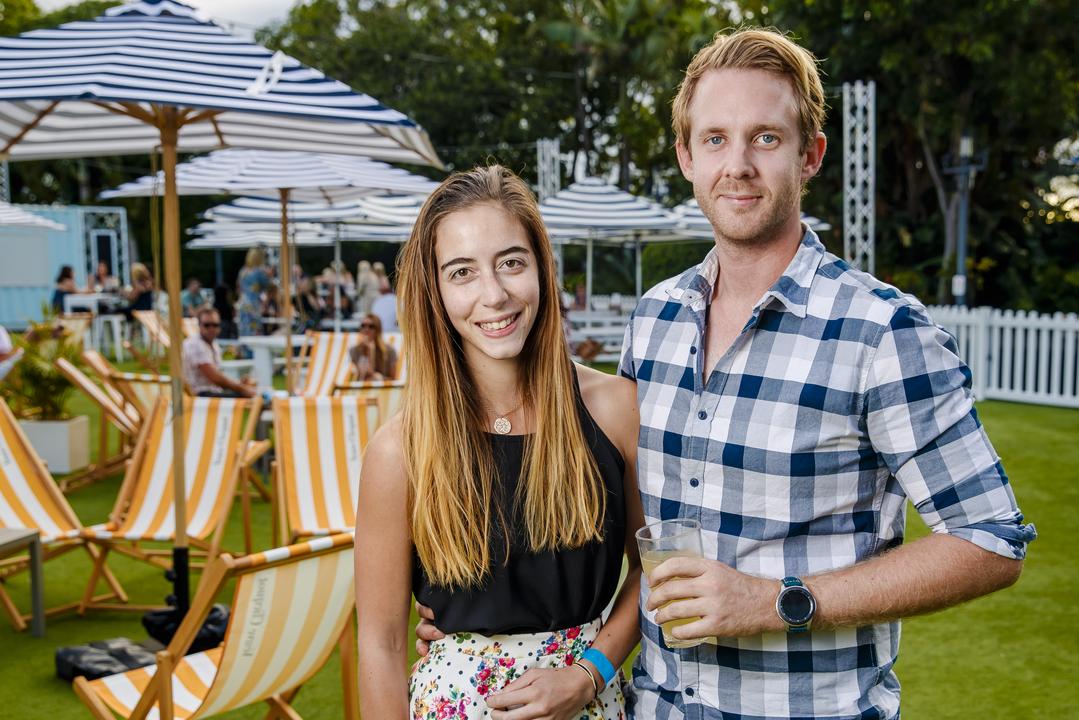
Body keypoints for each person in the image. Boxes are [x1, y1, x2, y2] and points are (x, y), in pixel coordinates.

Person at [416, 28, 1037, 719]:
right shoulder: (654, 323)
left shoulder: (882, 332)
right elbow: (608, 524)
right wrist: (485, 623)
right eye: (714, 139)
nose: (737, 164)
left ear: (811, 156)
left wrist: (776, 602)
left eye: (765, 138)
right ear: (686, 156)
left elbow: (990, 539)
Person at [356, 165, 643, 720]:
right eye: (462, 272)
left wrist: (589, 674)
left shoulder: (613, 410)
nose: (494, 294)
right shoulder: (400, 452)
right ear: (434, 290)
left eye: (511, 262)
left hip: (588, 703)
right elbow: (383, 645)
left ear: (541, 266)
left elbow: (652, 570)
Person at [181, 307, 256, 398]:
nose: (211, 328)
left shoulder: (212, 344)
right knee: (251, 395)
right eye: (207, 325)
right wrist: (241, 388)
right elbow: (216, 378)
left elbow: (218, 378)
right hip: (200, 395)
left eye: (215, 325)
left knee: (252, 390)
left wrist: (239, 383)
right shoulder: (195, 345)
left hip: (212, 392)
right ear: (199, 325)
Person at [349, 313, 398, 381]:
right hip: (360, 387)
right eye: (363, 326)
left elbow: (393, 379)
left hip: (383, 388)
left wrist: (371, 351)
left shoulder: (389, 351)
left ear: (378, 329)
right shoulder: (354, 350)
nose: (366, 329)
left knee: (376, 378)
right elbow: (360, 376)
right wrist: (366, 352)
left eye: (371, 326)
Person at [236, 248, 270, 337]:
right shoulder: (259, 272)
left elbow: (239, 288)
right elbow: (267, 285)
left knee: (245, 330)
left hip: (243, 304)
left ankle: (245, 350)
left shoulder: (243, 271)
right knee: (255, 331)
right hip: (253, 305)